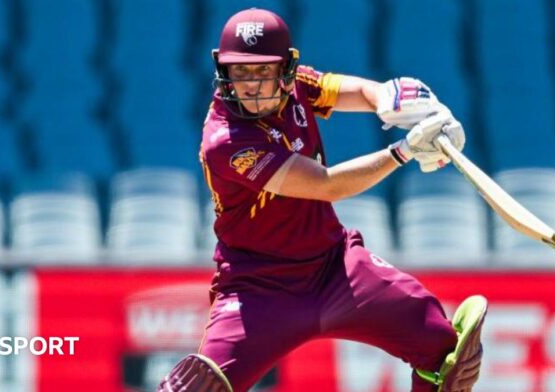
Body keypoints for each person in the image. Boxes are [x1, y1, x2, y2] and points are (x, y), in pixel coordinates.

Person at [159, 8, 487, 392]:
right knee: (202, 387)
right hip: (258, 288)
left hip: (335, 267)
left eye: (262, 71)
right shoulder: (227, 141)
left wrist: (397, 100)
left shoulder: (298, 85)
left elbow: (365, 93)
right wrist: (406, 149)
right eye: (241, 72)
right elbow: (327, 185)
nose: (251, 85)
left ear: (285, 69)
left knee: (443, 349)